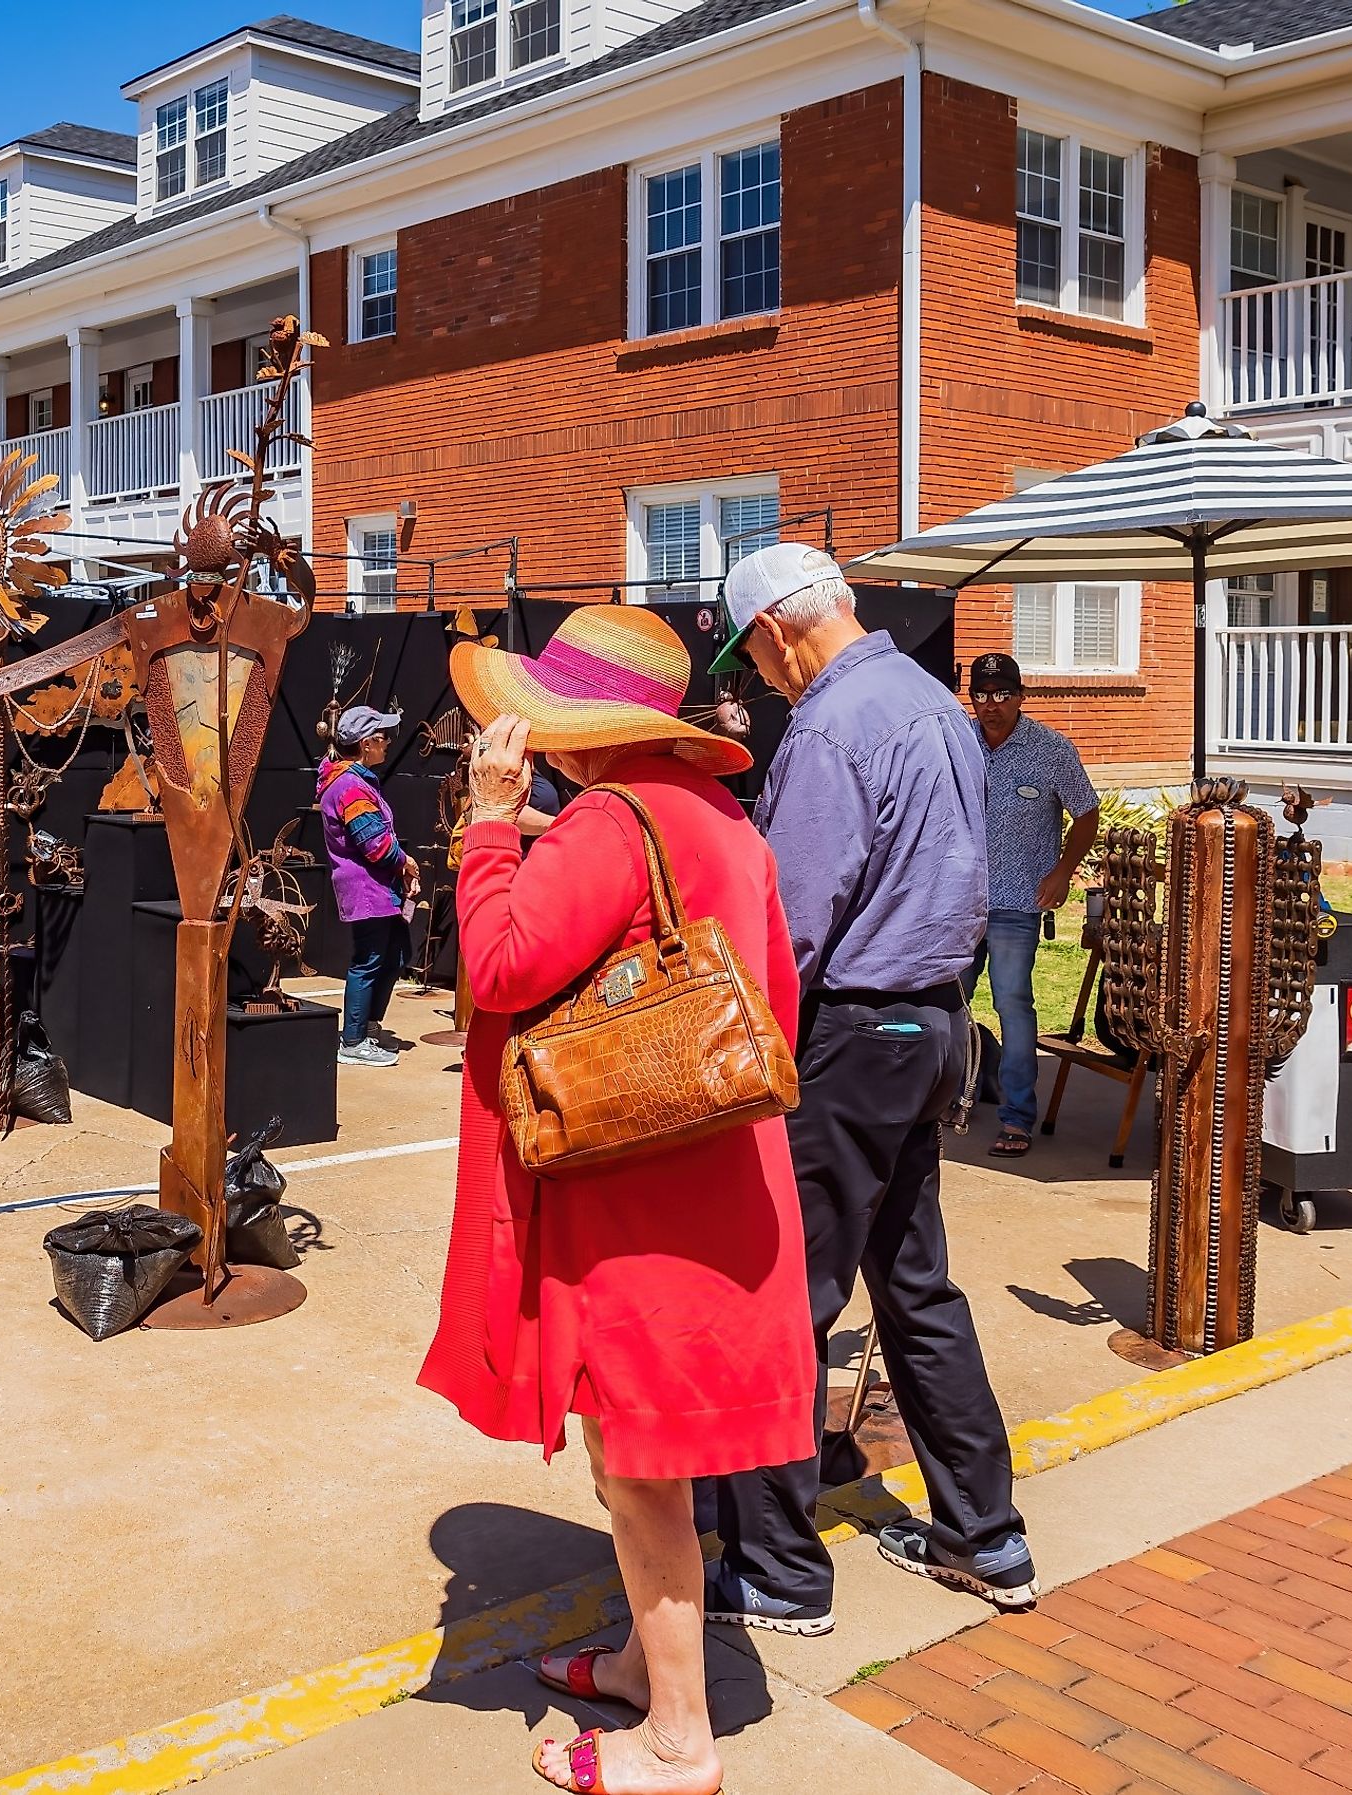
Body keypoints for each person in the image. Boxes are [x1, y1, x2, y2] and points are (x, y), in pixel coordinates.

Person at [419, 606, 813, 1795]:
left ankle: (679, 1740)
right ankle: (651, 1662)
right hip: (716, 1172)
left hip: (635, 1195)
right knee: (661, 1448)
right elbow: (776, 997)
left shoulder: (603, 822)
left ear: (570, 725)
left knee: (638, 1461)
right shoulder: (716, 814)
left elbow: (494, 967)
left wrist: (492, 829)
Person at [707, 542, 1037, 1625]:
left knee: (782, 1301)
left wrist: (732, 1060)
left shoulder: (833, 725)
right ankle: (985, 1537)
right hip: (935, 1020)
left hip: (857, 1029)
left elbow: (790, 925)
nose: (758, 679)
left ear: (775, 632)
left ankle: (776, 1570)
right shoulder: (934, 704)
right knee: (914, 1285)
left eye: (751, 657)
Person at [964, 651, 1098, 1158]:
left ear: (1021, 696)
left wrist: (1062, 873)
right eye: (981, 694)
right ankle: (942, 1103)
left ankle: (1016, 1116)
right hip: (959, 901)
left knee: (1012, 1006)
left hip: (1019, 902)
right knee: (947, 1002)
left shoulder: (1050, 750)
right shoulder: (959, 743)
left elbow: (1086, 814)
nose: (991, 705)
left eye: (1002, 694)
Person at [317, 704, 419, 1066]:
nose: (388, 743)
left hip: (378, 889)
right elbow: (374, 844)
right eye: (382, 737)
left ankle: (367, 1027)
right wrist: (404, 862)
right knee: (370, 959)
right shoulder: (350, 787)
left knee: (395, 955)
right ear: (365, 744)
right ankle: (354, 1039)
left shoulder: (352, 782)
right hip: (367, 890)